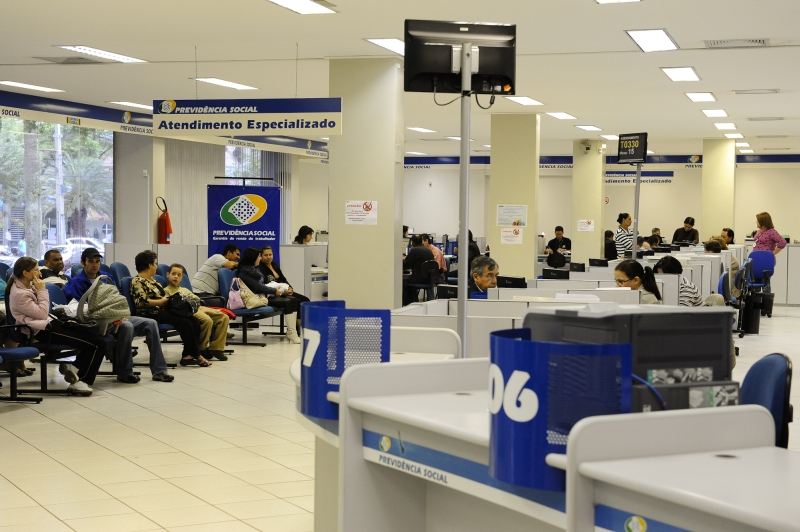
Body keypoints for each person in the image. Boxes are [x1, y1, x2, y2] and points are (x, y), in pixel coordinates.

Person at [65, 248, 174, 382]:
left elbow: (117, 298)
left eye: (97, 261)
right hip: (96, 320)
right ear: (83, 263)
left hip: (115, 316)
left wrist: (120, 313)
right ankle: (125, 372)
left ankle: (160, 371)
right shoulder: (75, 283)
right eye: (91, 261)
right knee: (126, 326)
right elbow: (79, 308)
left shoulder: (106, 277)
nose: (94, 264)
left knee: (151, 323)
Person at [8, 257, 105, 396]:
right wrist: (42, 290)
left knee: (95, 337)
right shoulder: (20, 294)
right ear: (25, 273)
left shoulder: (26, 287)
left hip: (49, 324)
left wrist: (38, 289)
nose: (39, 273)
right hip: (41, 330)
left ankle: (74, 368)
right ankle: (80, 381)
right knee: (97, 344)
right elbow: (42, 313)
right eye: (36, 270)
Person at [131, 250, 211, 367]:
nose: (156, 266)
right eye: (155, 263)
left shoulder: (153, 281)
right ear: (149, 265)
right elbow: (140, 302)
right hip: (151, 313)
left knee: (194, 321)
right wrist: (161, 302)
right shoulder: (138, 281)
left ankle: (187, 356)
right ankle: (198, 356)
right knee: (185, 323)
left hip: (163, 310)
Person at [237, 247, 301, 344]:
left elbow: (263, 285)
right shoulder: (245, 272)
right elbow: (258, 287)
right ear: (252, 258)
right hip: (257, 297)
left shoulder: (253, 269)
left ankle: (292, 331)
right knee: (287, 302)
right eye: (259, 256)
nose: (260, 259)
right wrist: (275, 291)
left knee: (293, 300)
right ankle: (292, 333)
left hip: (264, 295)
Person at [165, 265, 230, 361]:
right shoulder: (166, 290)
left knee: (224, 317)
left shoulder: (185, 290)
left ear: (182, 278)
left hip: (198, 306)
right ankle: (201, 349)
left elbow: (197, 299)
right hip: (188, 309)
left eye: (179, 275)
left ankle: (216, 348)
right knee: (207, 320)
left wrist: (192, 300)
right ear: (167, 275)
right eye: (173, 274)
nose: (176, 277)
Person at [258, 245, 310, 332]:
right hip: (274, 293)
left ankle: (303, 325)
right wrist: (282, 291)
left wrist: (290, 288)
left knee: (305, 300)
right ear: (261, 256)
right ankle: (298, 328)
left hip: (285, 290)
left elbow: (283, 279)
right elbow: (267, 284)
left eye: (270, 255)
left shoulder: (274, 265)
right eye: (266, 255)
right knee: (295, 301)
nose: (268, 257)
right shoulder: (260, 267)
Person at [402, 235, 435, 305]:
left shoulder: (414, 250)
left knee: (403, 281)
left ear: (412, 243)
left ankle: (406, 303)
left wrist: (403, 259)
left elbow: (406, 264)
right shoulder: (428, 250)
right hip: (428, 279)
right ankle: (414, 301)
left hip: (418, 279)